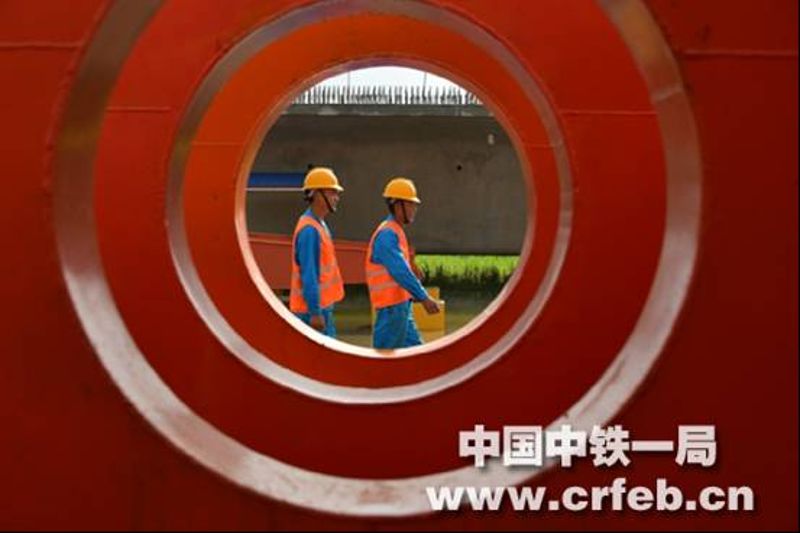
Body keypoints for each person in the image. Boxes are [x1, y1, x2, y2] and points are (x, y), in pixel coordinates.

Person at [365, 177, 440, 349]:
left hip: (401, 307)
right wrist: (423, 297)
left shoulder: (395, 231)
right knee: (385, 358)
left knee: (417, 354)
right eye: (410, 204)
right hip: (391, 309)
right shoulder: (387, 234)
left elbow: (402, 267)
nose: (415, 209)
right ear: (397, 205)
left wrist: (412, 269)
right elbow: (399, 271)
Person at [289, 167, 345, 337]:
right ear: (316, 194)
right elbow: (309, 275)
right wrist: (315, 313)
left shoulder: (318, 225)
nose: (337, 198)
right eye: (332, 192)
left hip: (321, 307)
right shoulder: (310, 230)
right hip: (310, 312)